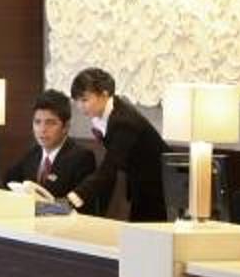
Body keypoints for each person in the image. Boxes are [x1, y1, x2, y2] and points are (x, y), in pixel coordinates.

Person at [68, 67, 169, 222]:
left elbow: (110, 167)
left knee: (147, 233)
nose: (80, 106)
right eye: (77, 100)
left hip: (160, 186)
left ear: (104, 94)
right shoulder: (108, 112)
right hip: (140, 184)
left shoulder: (124, 122)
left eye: (85, 100)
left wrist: (76, 196)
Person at [1, 90, 95, 198]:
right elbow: (6, 183)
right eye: (37, 122)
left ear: (66, 127)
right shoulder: (32, 154)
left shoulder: (82, 158)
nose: (42, 129)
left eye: (50, 123)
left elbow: (82, 204)